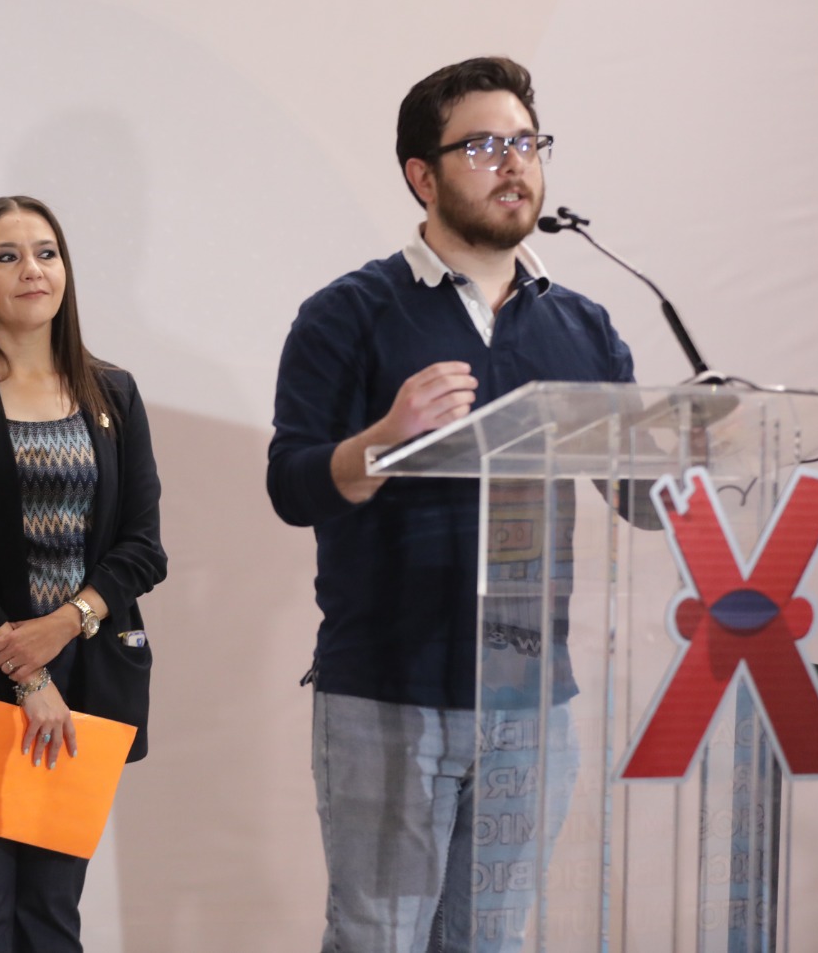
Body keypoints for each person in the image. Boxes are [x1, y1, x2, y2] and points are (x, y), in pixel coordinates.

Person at [266, 58, 635, 952]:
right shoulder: (349, 313)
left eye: (526, 143)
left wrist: (702, 453)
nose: (513, 164)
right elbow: (292, 485)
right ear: (422, 176)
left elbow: (642, 497)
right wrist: (387, 438)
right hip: (389, 695)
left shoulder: (582, 327)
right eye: (482, 146)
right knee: (378, 939)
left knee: (489, 943)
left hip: (532, 703)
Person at [0, 195, 165, 952]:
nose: (32, 270)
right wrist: (29, 672)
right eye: (7, 256)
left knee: (51, 917)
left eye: (46, 253)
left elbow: (143, 547)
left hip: (87, 689)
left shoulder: (113, 393)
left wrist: (66, 625)